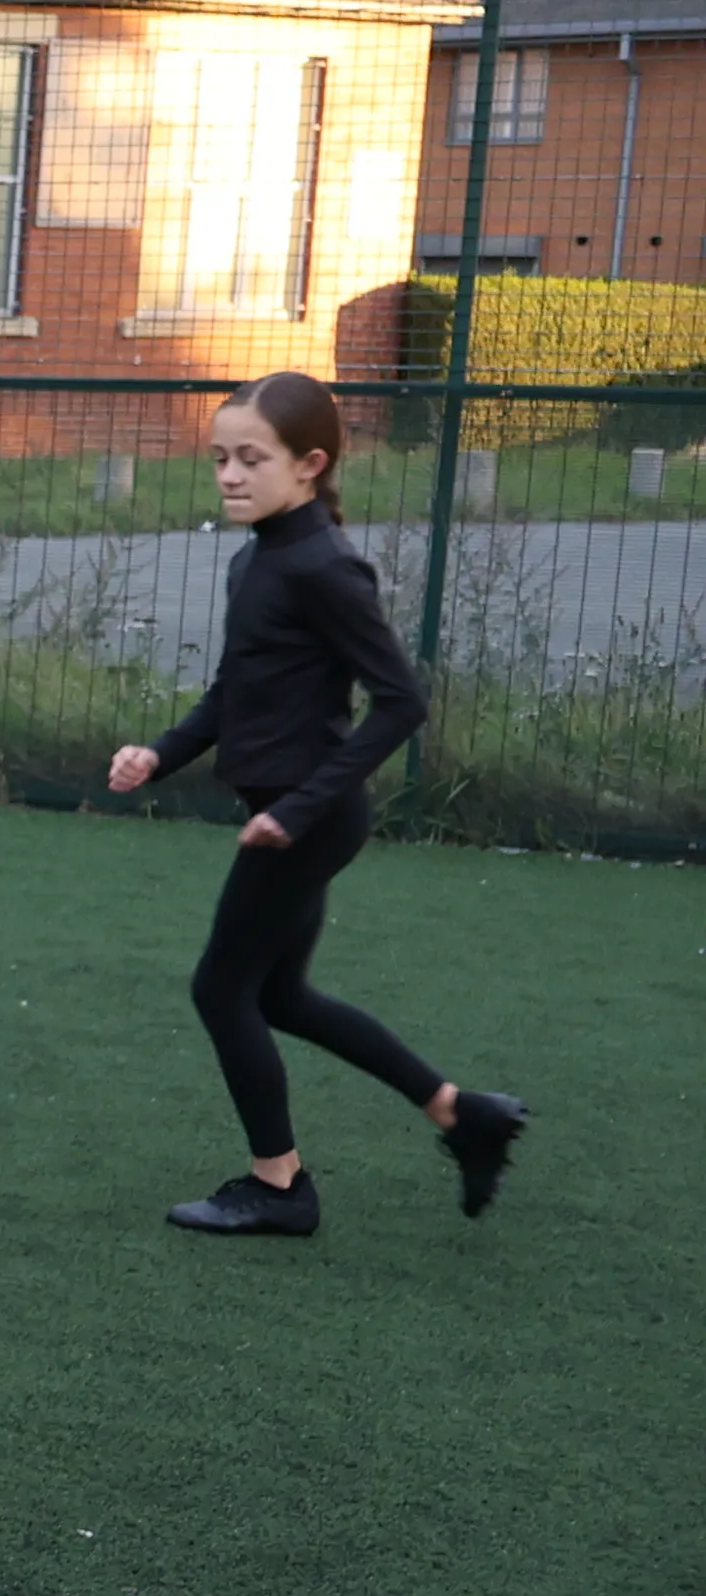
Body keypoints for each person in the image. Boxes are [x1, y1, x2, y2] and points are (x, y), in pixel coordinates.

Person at [109, 371, 527, 1236]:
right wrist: (160, 753)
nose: (229, 474)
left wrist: (297, 810)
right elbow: (235, 692)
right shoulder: (256, 555)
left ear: (309, 464)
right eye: (220, 457)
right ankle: (459, 1112)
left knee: (222, 990)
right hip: (288, 813)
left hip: (310, 818)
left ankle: (279, 1187)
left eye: (250, 459)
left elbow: (402, 703)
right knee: (280, 997)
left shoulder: (327, 568)